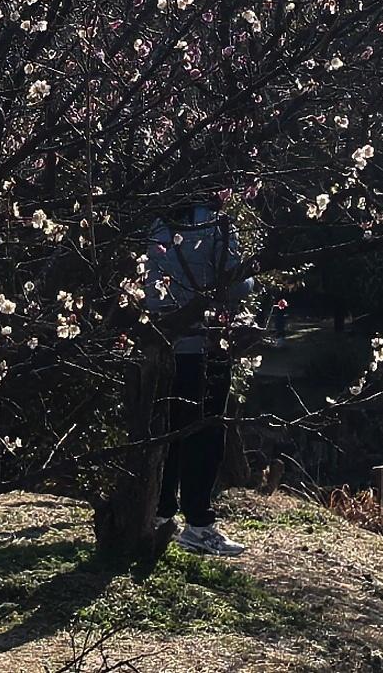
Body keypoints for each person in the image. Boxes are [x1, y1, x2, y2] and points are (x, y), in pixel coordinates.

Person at [143, 183, 256, 558]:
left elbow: (150, 291)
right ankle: (199, 523)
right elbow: (236, 283)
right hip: (207, 343)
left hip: (166, 345)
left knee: (170, 432)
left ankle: (160, 513)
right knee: (206, 435)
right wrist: (252, 275)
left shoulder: (157, 222)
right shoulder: (217, 225)